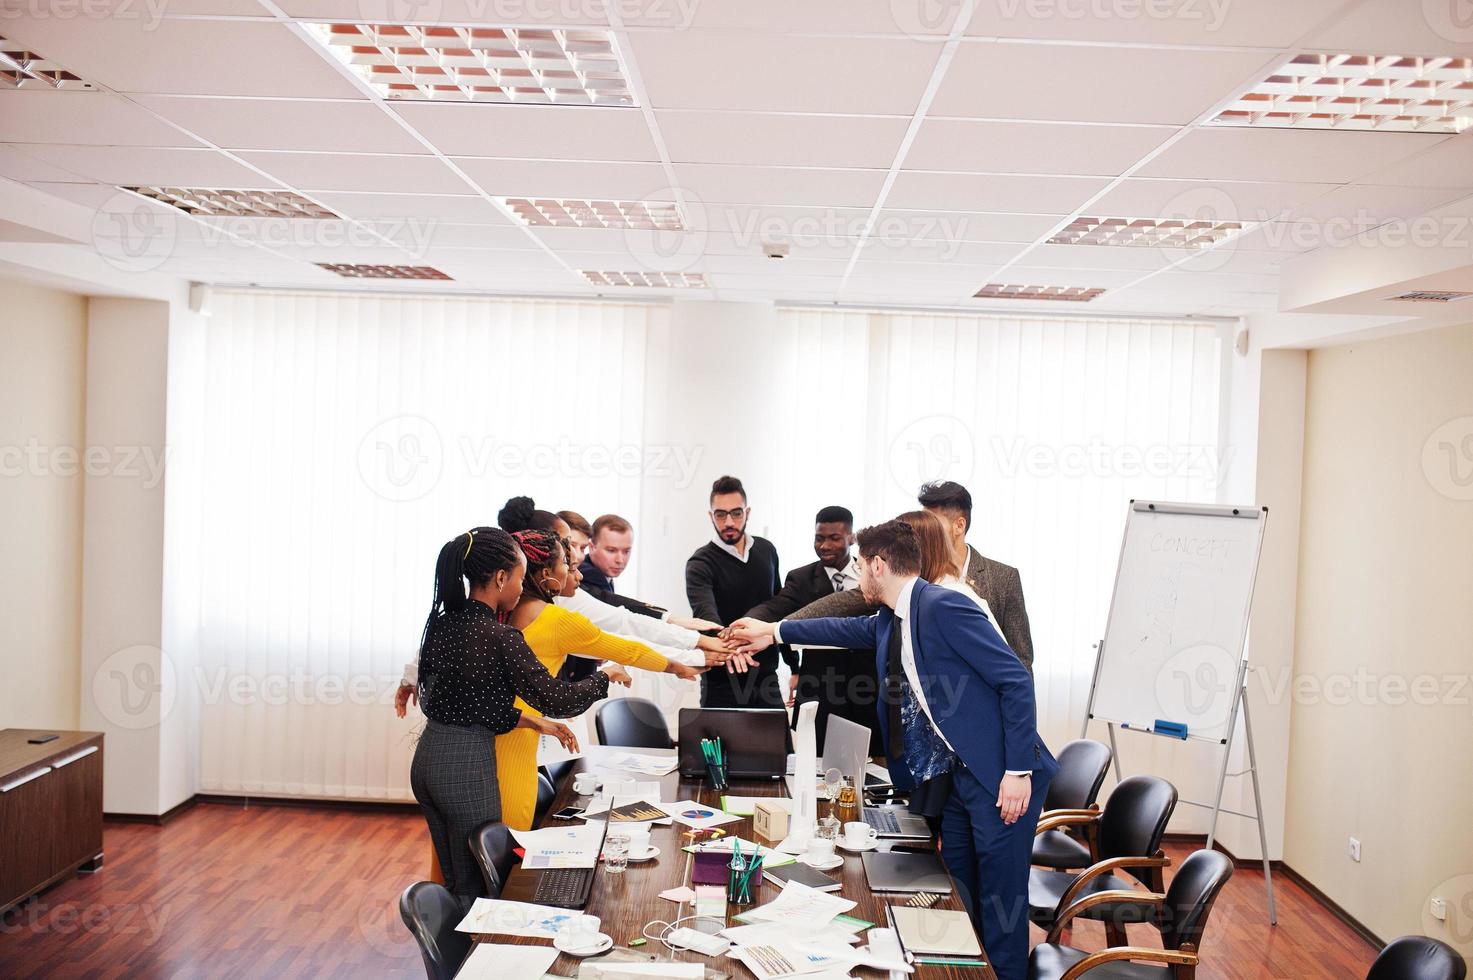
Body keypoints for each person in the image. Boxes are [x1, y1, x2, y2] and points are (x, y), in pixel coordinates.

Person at [727, 519, 1057, 980]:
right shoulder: (895, 615)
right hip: (962, 774)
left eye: (861, 565)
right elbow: (843, 629)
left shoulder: (944, 607)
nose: (858, 575)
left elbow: (1016, 679)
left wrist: (1017, 770)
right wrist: (774, 632)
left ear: (878, 565)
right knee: (956, 888)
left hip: (1003, 775)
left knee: (1001, 899)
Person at [409, 527, 617, 904]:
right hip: (465, 768)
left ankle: (454, 958)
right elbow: (557, 699)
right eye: (521, 578)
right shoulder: (500, 636)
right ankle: (477, 959)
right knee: (481, 886)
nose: (523, 588)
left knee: (454, 881)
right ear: (501, 578)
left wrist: (530, 721)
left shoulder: (441, 624)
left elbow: (470, 704)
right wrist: (604, 678)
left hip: (427, 763)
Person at [497, 528, 703, 830]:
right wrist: (679, 666)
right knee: (514, 842)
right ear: (544, 574)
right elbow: (625, 648)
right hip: (517, 746)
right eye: (568, 565)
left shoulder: (505, 612)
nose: (575, 575)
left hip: (494, 736)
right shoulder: (556, 620)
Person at [743, 506, 875, 753]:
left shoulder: (872, 575)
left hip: (868, 688)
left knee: (870, 768)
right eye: (819, 538)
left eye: (834, 538)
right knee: (816, 767)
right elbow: (775, 608)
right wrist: (749, 621)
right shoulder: (800, 578)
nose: (825, 545)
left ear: (852, 538)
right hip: (820, 690)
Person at [685, 475, 784, 707]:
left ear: (747, 512)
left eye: (736, 513)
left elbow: (779, 603)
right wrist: (734, 649)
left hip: (766, 676)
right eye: (721, 514)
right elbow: (706, 615)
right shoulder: (700, 562)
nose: (729, 521)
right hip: (721, 678)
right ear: (711, 516)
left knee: (777, 744)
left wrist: (795, 666)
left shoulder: (766, 550)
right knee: (720, 745)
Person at [918, 480, 1035, 671]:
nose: (925, 531)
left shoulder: (1003, 578)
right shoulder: (918, 572)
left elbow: (1021, 660)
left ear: (959, 526)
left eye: (932, 524)